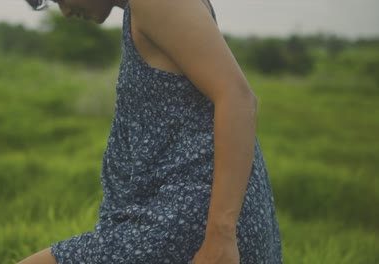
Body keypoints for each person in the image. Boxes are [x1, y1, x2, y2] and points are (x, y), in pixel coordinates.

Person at [18, 0, 283, 263]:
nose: (64, 11)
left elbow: (237, 98)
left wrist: (221, 235)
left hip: (191, 222)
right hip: (178, 216)